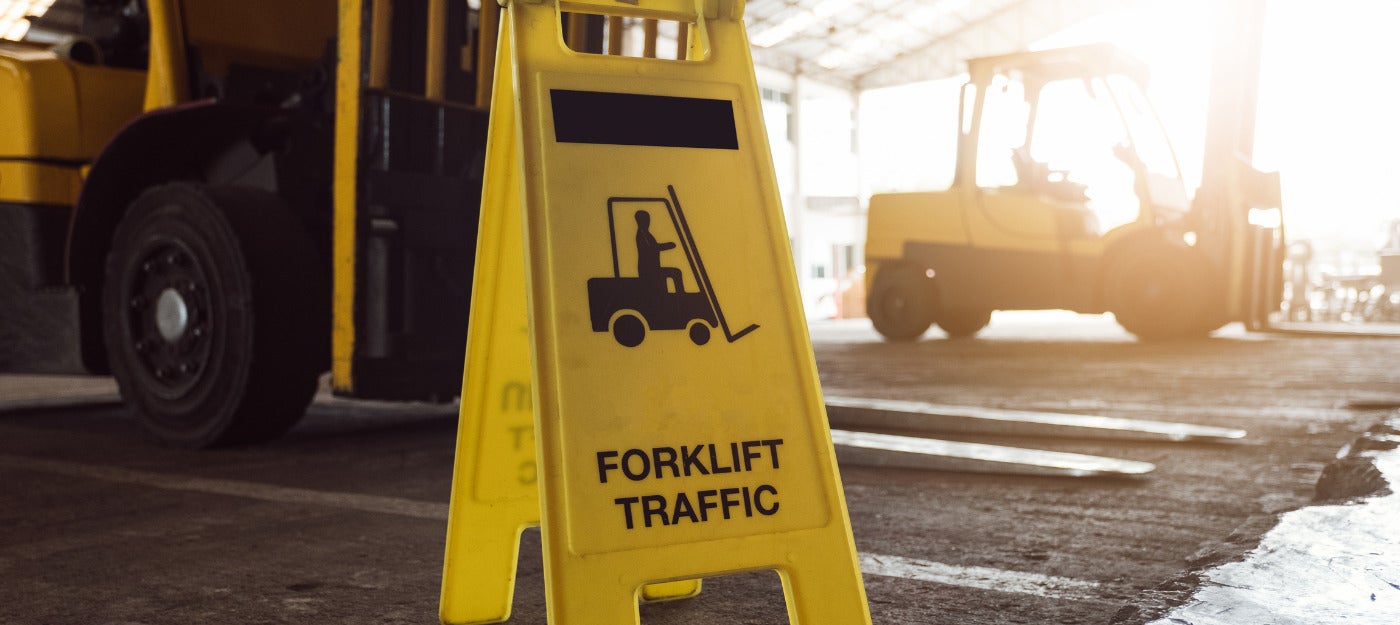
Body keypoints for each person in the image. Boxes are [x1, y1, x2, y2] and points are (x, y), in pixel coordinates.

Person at [635, 210, 683, 293]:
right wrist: (668, 245)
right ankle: (681, 297)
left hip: (652, 267)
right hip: (649, 269)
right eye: (646, 219)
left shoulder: (645, 234)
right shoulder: (642, 234)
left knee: (675, 273)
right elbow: (653, 248)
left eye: (648, 219)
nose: (648, 222)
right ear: (641, 221)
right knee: (676, 273)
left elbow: (653, 247)